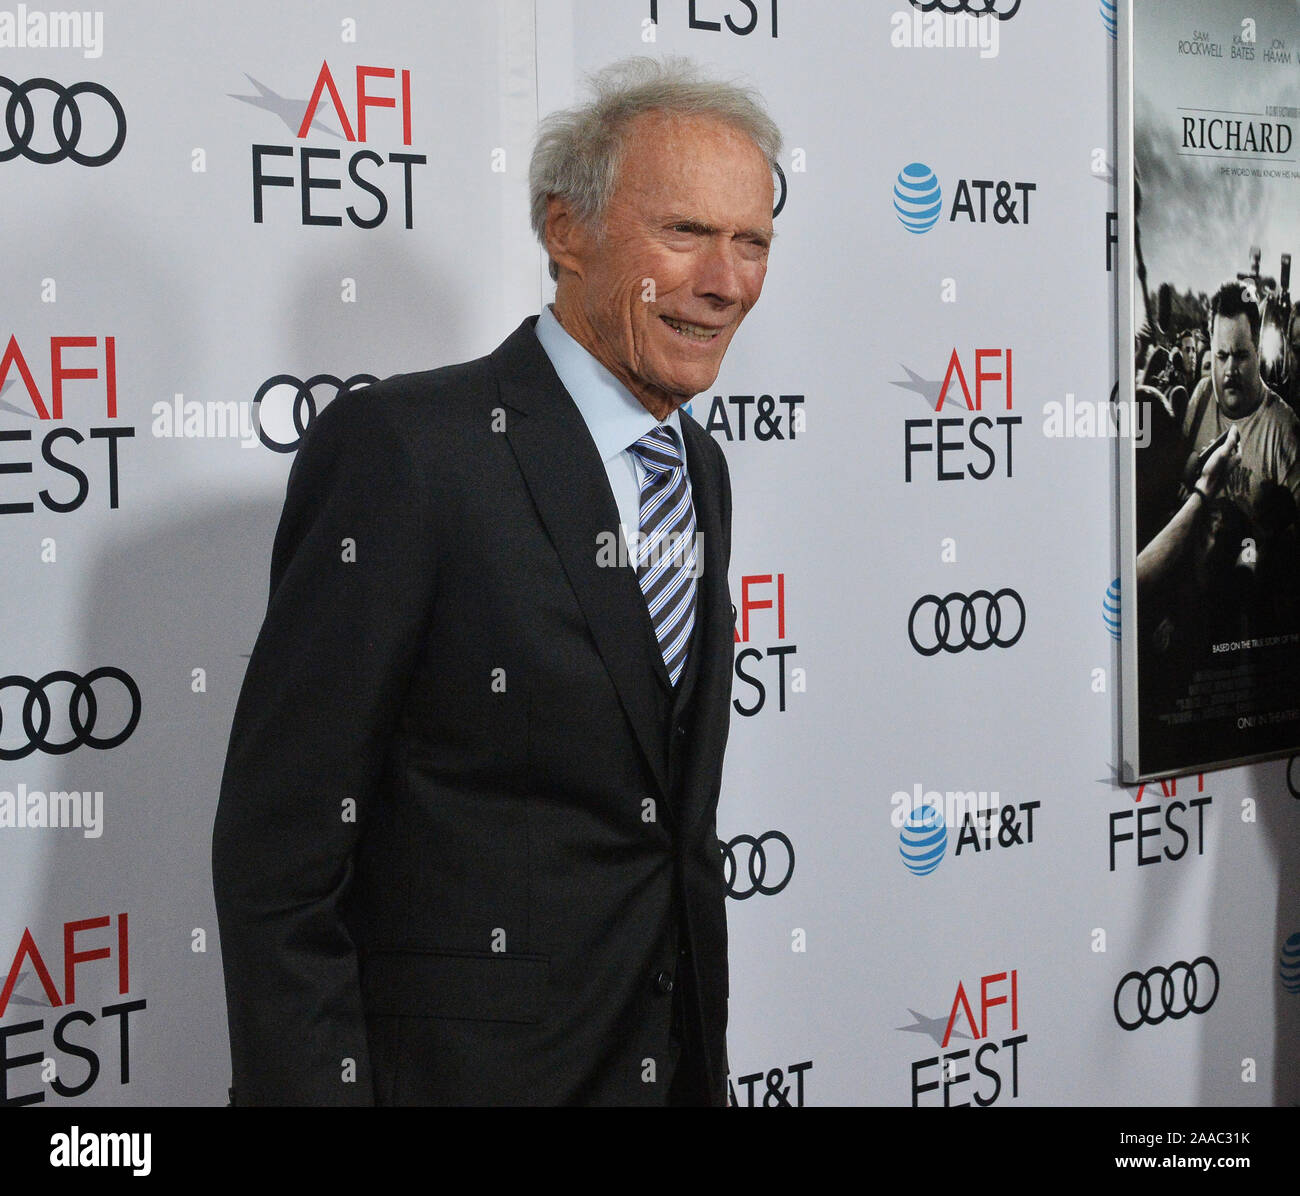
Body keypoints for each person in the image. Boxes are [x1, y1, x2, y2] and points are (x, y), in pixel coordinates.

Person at [211, 56, 781, 1107]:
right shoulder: (406, 453)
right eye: (686, 233)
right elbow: (279, 860)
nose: (727, 281)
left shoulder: (697, 466)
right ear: (567, 231)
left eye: (752, 241)